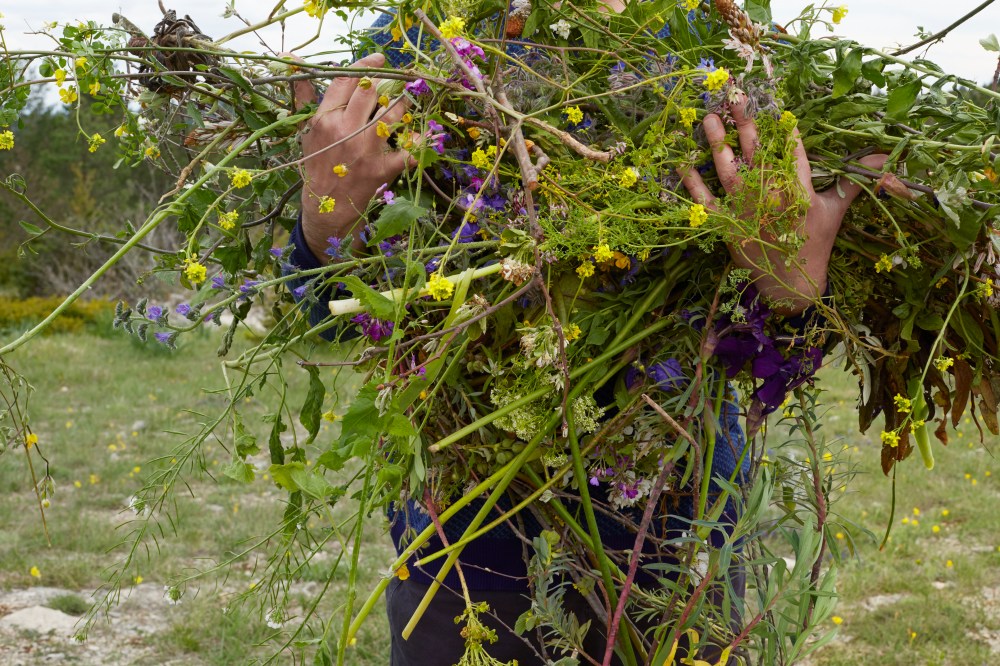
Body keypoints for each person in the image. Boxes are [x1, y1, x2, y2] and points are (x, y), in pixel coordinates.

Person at [283, 8, 888, 665]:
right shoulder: (417, 37)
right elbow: (324, 309)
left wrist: (793, 293)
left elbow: (781, 360)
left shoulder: (724, 55)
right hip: (462, 565)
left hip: (675, 558)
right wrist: (323, 214)